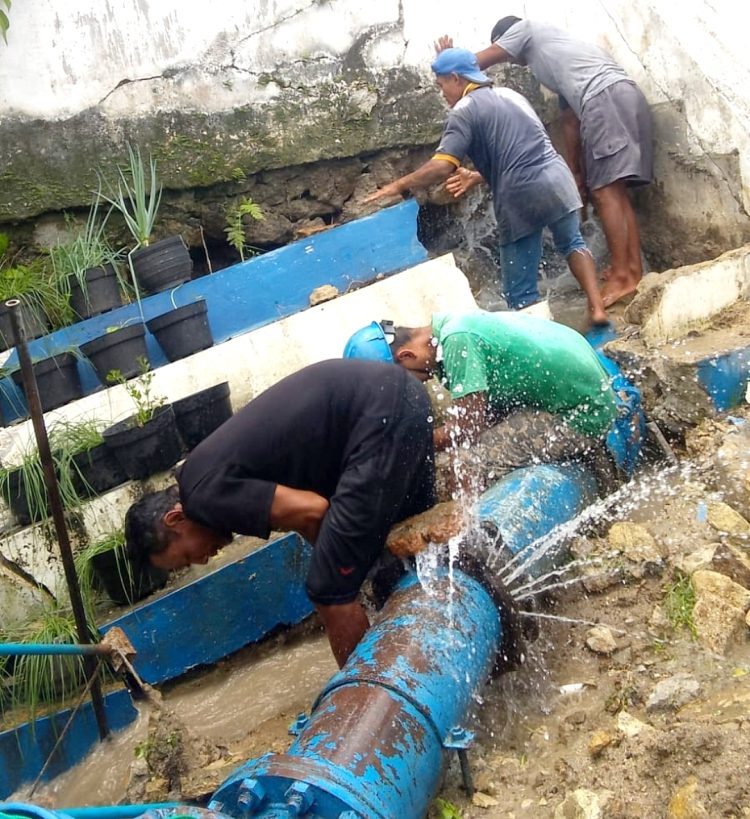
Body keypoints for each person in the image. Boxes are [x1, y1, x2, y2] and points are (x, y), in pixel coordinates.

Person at [123, 359, 435, 668]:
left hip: (378, 420)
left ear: (176, 520)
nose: (202, 560)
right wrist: (347, 561)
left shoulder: (202, 495)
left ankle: (368, 696)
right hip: (404, 398)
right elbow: (303, 517)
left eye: (187, 557)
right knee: (412, 551)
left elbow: (314, 511)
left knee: (327, 590)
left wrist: (339, 572)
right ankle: (434, 655)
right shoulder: (204, 474)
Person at [366, 46, 608, 326]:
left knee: (520, 292)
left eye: (442, 84)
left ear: (456, 79)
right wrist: (477, 176)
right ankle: (597, 306)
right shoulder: (511, 95)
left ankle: (537, 340)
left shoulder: (463, 111)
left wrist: (399, 185)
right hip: (556, 176)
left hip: (519, 193)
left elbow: (443, 165)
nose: (442, 92)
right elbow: (520, 149)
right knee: (573, 243)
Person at [439, 17, 653, 307]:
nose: (511, 62)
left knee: (606, 192)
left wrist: (448, 63)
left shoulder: (525, 29)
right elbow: (569, 121)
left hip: (604, 99)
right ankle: (629, 273)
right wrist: (576, 173)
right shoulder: (559, 61)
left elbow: (473, 65)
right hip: (620, 96)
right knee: (614, 191)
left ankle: (623, 279)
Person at [343, 313, 618, 492]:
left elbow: (466, 429)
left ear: (405, 355)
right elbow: (486, 414)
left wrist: (402, 443)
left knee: (469, 464)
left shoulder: (458, 342)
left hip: (582, 415)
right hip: (582, 395)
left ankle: (472, 540)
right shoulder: (450, 325)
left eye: (406, 382)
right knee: (460, 454)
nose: (419, 386)